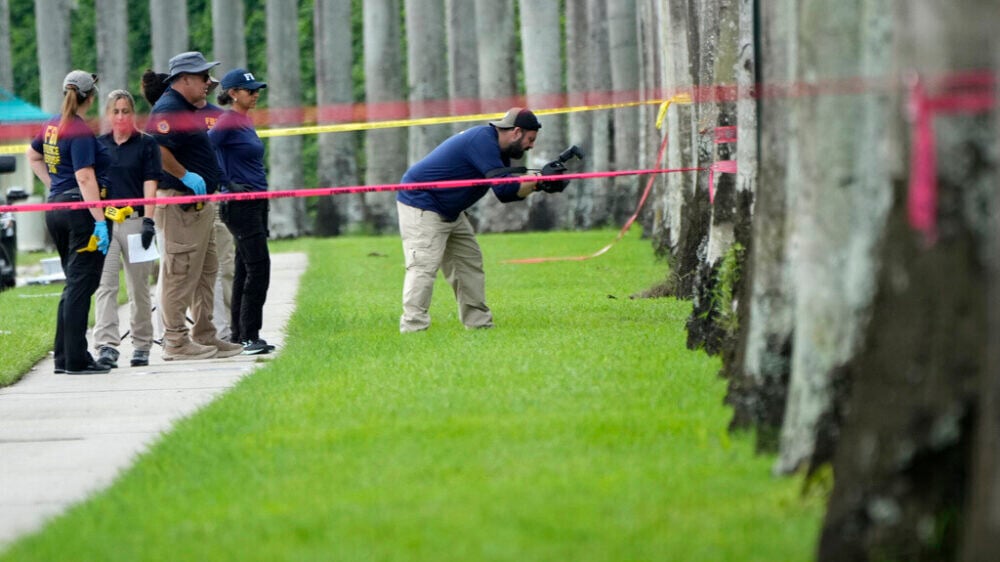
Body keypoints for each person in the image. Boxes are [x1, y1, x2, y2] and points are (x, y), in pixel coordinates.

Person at [395, 107, 552, 333]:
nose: (531, 145)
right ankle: (413, 328)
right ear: (516, 132)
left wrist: (541, 184)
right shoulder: (483, 142)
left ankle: (479, 326)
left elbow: (508, 194)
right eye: (530, 139)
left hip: (452, 210)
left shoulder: (500, 150)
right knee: (423, 266)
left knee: (469, 264)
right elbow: (504, 190)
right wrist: (539, 181)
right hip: (422, 204)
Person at [145, 52, 243, 361]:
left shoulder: (186, 108)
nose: (208, 83)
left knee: (205, 271)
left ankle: (205, 335)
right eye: (202, 77)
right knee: (180, 271)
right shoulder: (168, 109)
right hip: (180, 204)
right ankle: (175, 340)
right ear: (184, 79)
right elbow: (156, 149)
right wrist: (185, 174)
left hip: (200, 206)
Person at [26, 70, 112, 374]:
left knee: (73, 285)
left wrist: (54, 187)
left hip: (57, 209)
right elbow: (85, 176)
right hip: (80, 212)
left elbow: (32, 155)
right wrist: (99, 219)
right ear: (90, 97)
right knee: (81, 285)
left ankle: (64, 357)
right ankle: (76, 359)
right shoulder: (78, 129)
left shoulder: (51, 124)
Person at [92, 90, 161, 369]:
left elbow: (150, 183)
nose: (121, 116)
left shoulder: (146, 144)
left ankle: (142, 344)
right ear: (108, 114)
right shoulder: (99, 145)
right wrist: (96, 222)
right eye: (116, 111)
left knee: (139, 288)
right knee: (105, 286)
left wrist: (149, 220)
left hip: (134, 221)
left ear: (133, 113)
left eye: (126, 111)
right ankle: (107, 345)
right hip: (107, 222)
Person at [210, 68, 275, 355]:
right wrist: (227, 184)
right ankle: (250, 336)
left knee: (244, 268)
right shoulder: (227, 122)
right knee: (259, 268)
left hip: (257, 201)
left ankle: (240, 334)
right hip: (240, 205)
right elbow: (206, 150)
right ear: (233, 93)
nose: (256, 94)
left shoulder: (244, 121)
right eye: (250, 90)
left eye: (257, 89)